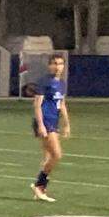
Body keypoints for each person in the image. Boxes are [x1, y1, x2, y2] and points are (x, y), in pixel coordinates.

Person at [30, 53, 70, 203]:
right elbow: (37, 105)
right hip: (45, 121)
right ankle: (39, 185)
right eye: (54, 63)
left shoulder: (61, 83)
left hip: (54, 121)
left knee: (48, 157)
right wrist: (41, 125)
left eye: (60, 63)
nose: (57, 66)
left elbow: (62, 104)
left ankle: (40, 190)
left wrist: (66, 123)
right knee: (57, 155)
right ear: (49, 65)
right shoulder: (44, 82)